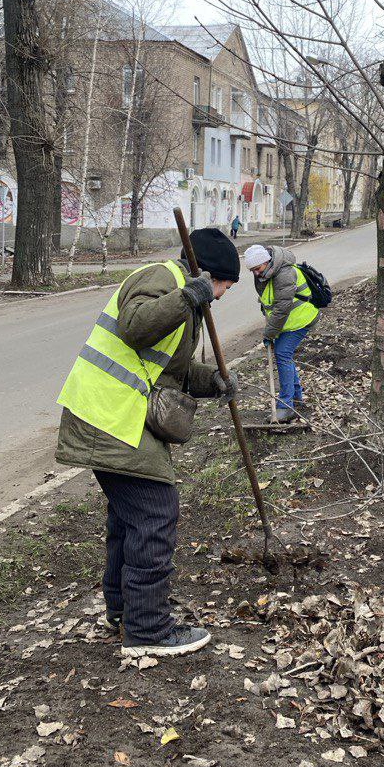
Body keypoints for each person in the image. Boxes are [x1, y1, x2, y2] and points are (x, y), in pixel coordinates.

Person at [55, 228, 241, 657]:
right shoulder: (160, 278)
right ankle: (148, 631)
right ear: (207, 275)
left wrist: (212, 381)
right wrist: (190, 297)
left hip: (118, 415)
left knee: (130, 518)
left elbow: (167, 369)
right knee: (155, 513)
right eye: (224, 285)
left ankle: (126, 610)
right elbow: (136, 327)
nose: (224, 295)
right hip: (110, 415)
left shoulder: (184, 296)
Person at [244, 243, 319, 423]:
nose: (255, 273)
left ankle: (286, 406)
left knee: (282, 354)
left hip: (301, 320)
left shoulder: (284, 273)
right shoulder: (265, 272)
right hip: (286, 323)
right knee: (284, 355)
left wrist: (269, 333)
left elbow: (282, 308)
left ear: (267, 261)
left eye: (257, 268)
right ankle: (296, 398)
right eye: (252, 270)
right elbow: (269, 299)